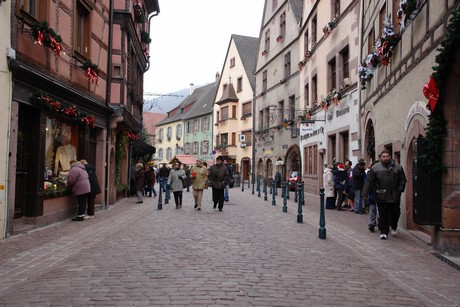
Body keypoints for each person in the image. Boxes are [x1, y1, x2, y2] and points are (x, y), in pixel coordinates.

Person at [363, 149, 407, 240]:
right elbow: (369, 181)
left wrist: (400, 190)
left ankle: (394, 226)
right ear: (380, 158)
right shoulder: (375, 168)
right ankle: (384, 232)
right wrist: (365, 193)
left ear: (390, 157)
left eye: (387, 156)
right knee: (383, 214)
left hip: (394, 195)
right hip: (381, 195)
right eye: (384, 157)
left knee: (396, 212)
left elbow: (402, 180)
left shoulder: (398, 167)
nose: (385, 158)